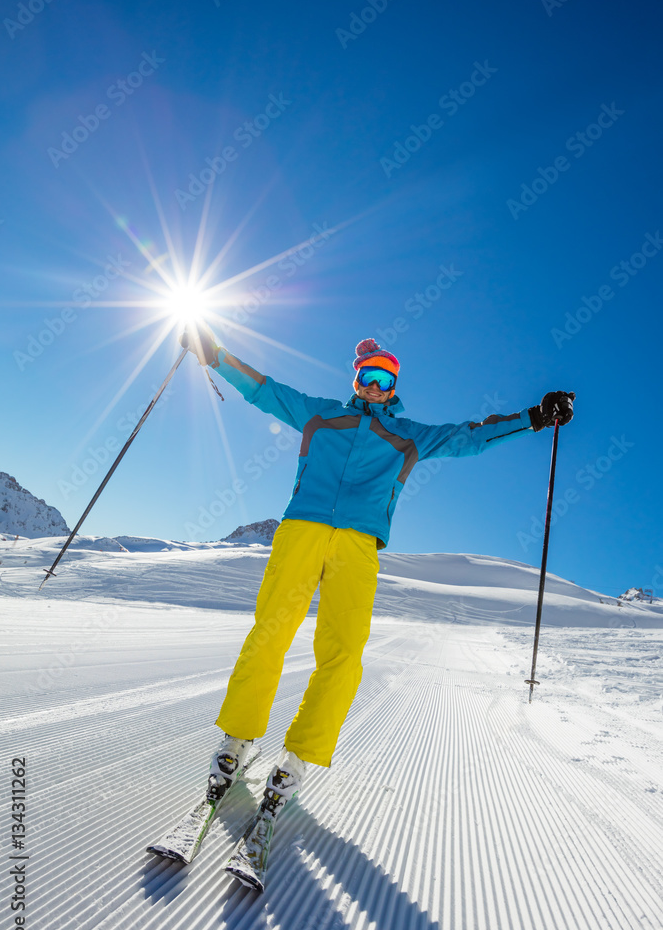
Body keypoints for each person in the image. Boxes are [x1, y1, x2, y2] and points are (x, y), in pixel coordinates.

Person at [180, 325, 574, 819]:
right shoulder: (319, 413)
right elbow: (263, 388)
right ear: (355, 378)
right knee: (270, 634)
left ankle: (297, 760)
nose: (373, 385)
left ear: (394, 388)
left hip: (358, 545)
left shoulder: (409, 437)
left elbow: (469, 439)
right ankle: (236, 741)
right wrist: (213, 353)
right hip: (302, 530)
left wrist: (534, 418)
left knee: (343, 652)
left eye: (383, 379)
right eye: (367, 375)